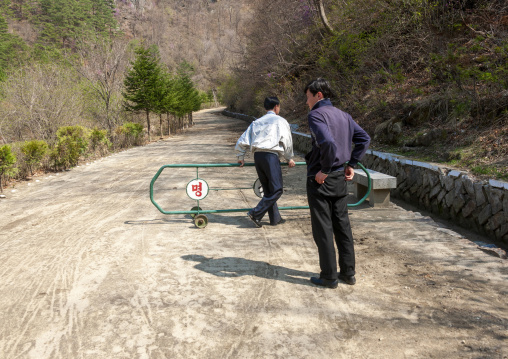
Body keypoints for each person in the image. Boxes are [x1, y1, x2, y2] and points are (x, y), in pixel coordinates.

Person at [304, 78, 371, 288]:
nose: (307, 102)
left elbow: (328, 143)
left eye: (308, 97)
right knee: (342, 225)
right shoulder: (344, 115)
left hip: (321, 178)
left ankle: (329, 276)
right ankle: (348, 273)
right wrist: (352, 163)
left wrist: (324, 169)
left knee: (323, 228)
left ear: (318, 95)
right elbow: (364, 138)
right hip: (341, 176)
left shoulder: (316, 114)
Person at [235, 96, 296, 228]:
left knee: (269, 190)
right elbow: (287, 140)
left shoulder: (257, 122)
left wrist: (241, 156)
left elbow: (243, 140)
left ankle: (275, 218)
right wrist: (289, 158)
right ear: (276, 107)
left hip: (258, 156)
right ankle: (255, 213)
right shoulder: (280, 121)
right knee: (277, 189)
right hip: (271, 156)